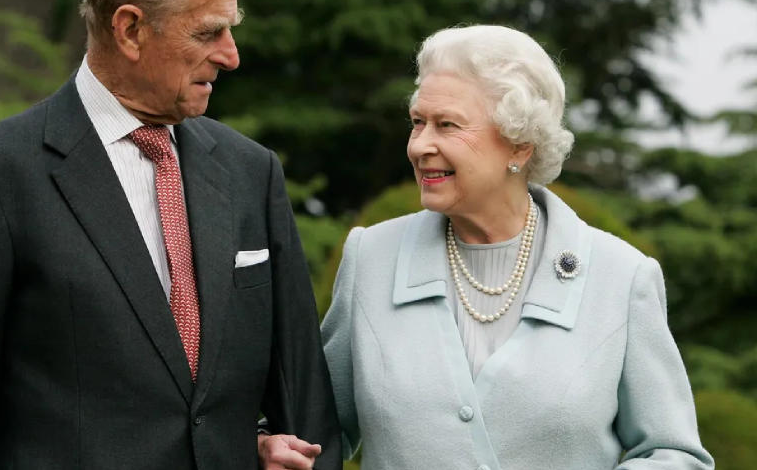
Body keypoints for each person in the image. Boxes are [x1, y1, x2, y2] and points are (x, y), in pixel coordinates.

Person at [0, 0, 341, 468]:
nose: (230, 55)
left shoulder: (252, 171)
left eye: (232, 29)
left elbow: (303, 403)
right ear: (130, 29)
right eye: (209, 31)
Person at [264, 25, 714, 469]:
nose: (421, 145)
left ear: (519, 146)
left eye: (447, 126)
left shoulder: (621, 277)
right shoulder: (372, 258)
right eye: (418, 122)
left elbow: (673, 453)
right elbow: (315, 430)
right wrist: (267, 445)